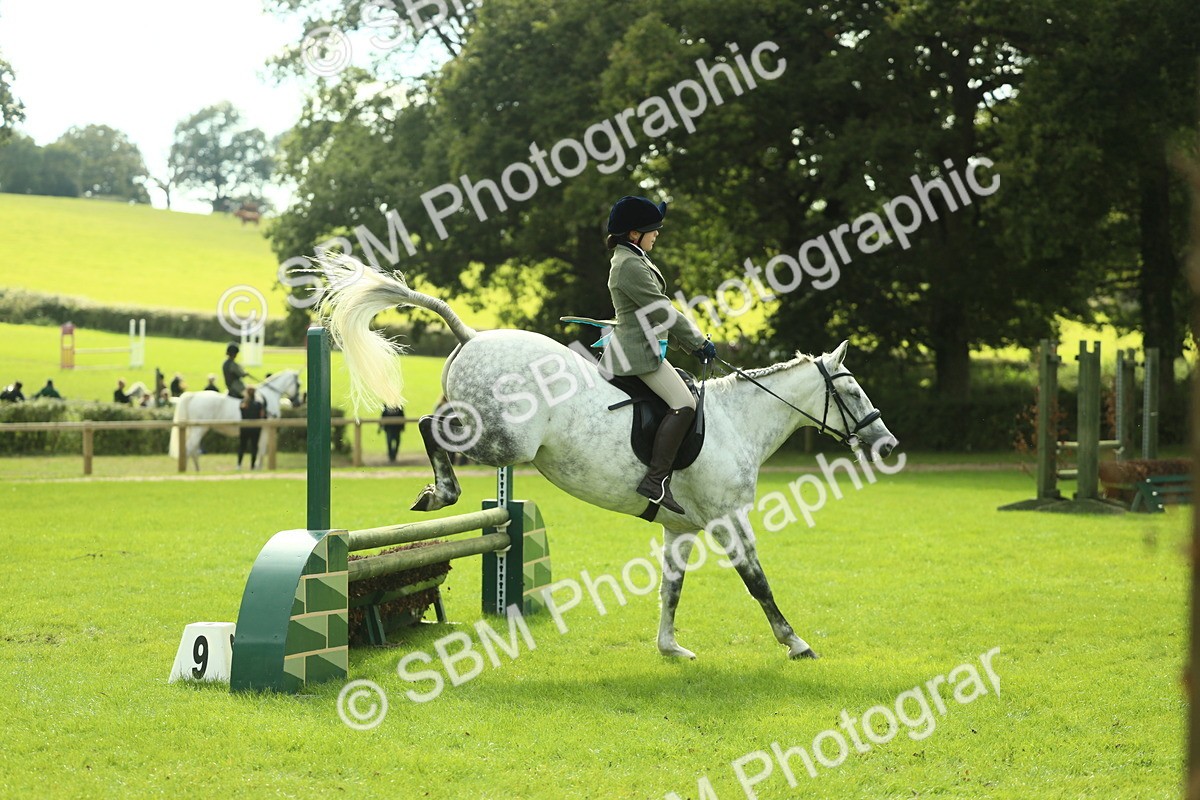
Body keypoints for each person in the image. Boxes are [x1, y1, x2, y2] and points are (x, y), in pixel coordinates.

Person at [604, 195, 717, 515]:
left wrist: (686, 345)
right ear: (633, 234)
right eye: (652, 229)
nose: (657, 234)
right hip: (637, 354)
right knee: (685, 404)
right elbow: (662, 311)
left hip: (646, 347)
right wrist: (697, 343)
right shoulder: (628, 266)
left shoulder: (632, 258)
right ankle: (655, 480)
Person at [237, 385, 267, 470]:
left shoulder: (243, 403)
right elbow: (262, 415)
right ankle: (252, 466)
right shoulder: (258, 404)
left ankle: (239, 465)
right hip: (255, 429)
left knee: (242, 446)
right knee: (254, 447)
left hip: (244, 428)